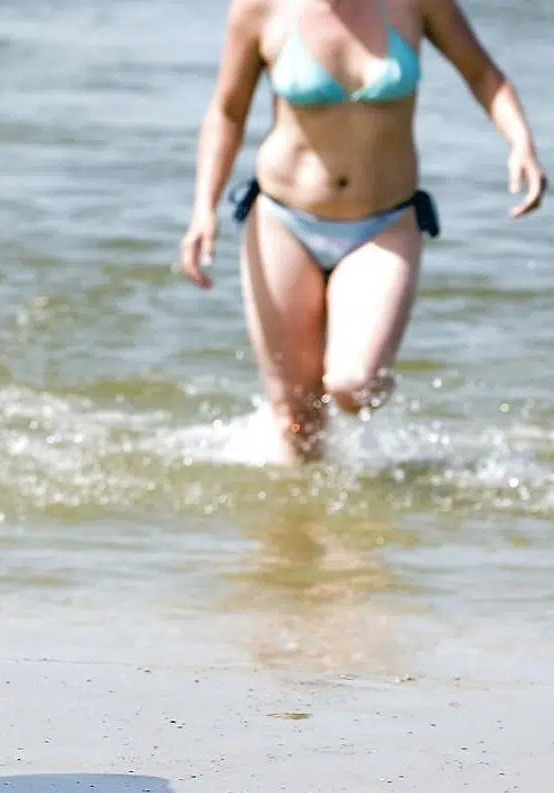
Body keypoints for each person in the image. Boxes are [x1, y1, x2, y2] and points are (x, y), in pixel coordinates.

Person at [179, 0, 546, 462]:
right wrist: (203, 209)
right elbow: (228, 111)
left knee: (353, 384)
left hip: (384, 223)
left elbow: (484, 75)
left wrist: (520, 143)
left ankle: (373, 401)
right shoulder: (260, 8)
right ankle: (308, 509)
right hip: (282, 221)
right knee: (297, 421)